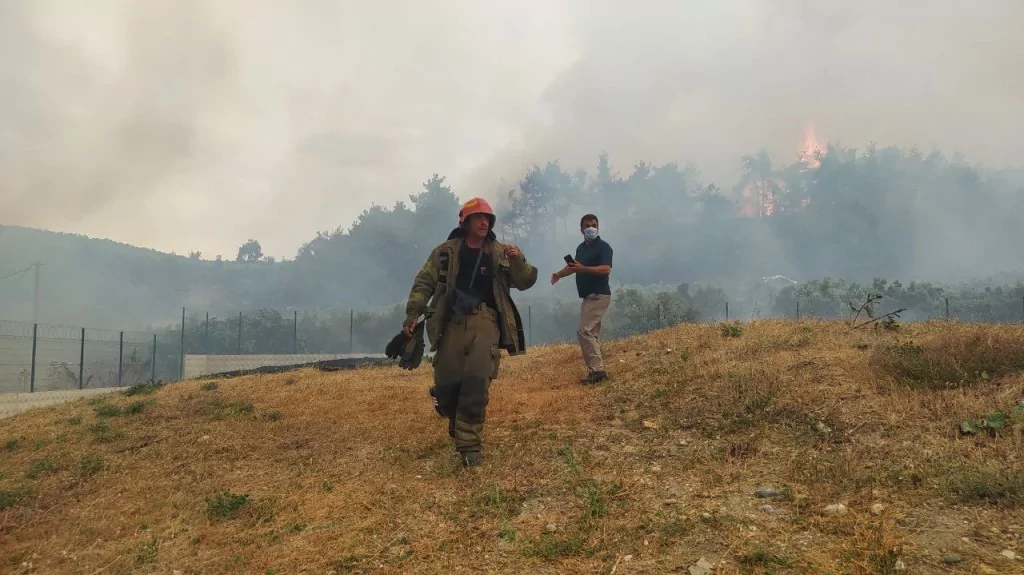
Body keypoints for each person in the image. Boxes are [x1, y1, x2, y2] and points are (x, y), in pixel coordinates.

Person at [402, 197, 538, 467]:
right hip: (451, 322)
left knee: (476, 382)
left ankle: (469, 446)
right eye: (478, 218)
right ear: (465, 222)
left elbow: (526, 281)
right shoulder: (445, 252)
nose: (484, 222)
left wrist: (519, 259)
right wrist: (412, 313)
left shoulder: (501, 252)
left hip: (486, 321)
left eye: (488, 218)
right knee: (447, 385)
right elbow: (424, 281)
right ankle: (454, 417)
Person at [551, 213, 613, 384]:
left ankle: (598, 371)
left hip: (599, 294)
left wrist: (584, 268)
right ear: (581, 229)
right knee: (591, 333)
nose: (590, 228)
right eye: (587, 225)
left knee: (584, 331)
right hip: (588, 295)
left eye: (594, 225)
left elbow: (605, 269)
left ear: (598, 227)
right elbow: (573, 267)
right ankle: (597, 370)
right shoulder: (581, 248)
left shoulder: (604, 247)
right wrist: (559, 274)